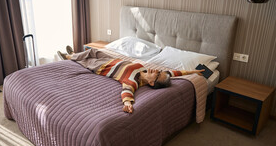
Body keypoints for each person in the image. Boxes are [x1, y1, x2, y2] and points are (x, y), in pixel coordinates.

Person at [58, 46, 204, 114]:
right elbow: (174, 72)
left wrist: (128, 104)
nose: (156, 71)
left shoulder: (133, 81)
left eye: (157, 75)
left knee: (87, 61)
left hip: (102, 67)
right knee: (92, 51)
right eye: (159, 71)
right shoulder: (144, 70)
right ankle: (76, 53)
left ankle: (70, 57)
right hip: (112, 59)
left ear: (152, 83)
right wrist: (193, 71)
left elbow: (126, 92)